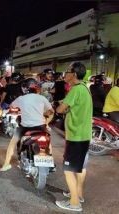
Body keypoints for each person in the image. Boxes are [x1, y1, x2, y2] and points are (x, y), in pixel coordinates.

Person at [56, 62, 92, 212]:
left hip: (76, 135)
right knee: (80, 166)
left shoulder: (75, 89)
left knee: (68, 169)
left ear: (74, 74)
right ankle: (78, 194)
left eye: (68, 71)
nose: (66, 74)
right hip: (84, 134)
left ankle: (75, 202)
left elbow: (60, 109)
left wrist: (62, 106)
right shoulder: (85, 88)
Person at [0, 78, 54, 171]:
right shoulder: (42, 98)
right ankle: (51, 162)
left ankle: (6, 164)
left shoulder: (21, 99)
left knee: (13, 142)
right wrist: (46, 122)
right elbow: (51, 112)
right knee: (48, 141)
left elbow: (12, 106)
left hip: (25, 127)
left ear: (25, 88)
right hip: (41, 126)